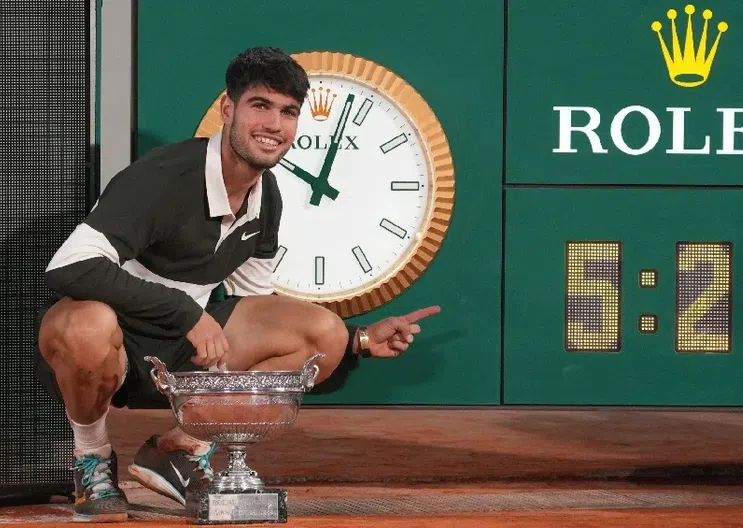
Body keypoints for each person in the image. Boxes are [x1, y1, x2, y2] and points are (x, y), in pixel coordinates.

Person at [34, 46, 440, 522]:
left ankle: (178, 451)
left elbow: (257, 304)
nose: (274, 124)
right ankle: (92, 459)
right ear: (228, 109)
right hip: (110, 348)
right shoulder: (163, 177)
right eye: (260, 105)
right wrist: (186, 313)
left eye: (288, 112)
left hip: (185, 356)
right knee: (83, 324)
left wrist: (358, 340)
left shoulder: (266, 196)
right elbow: (69, 266)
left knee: (321, 334)